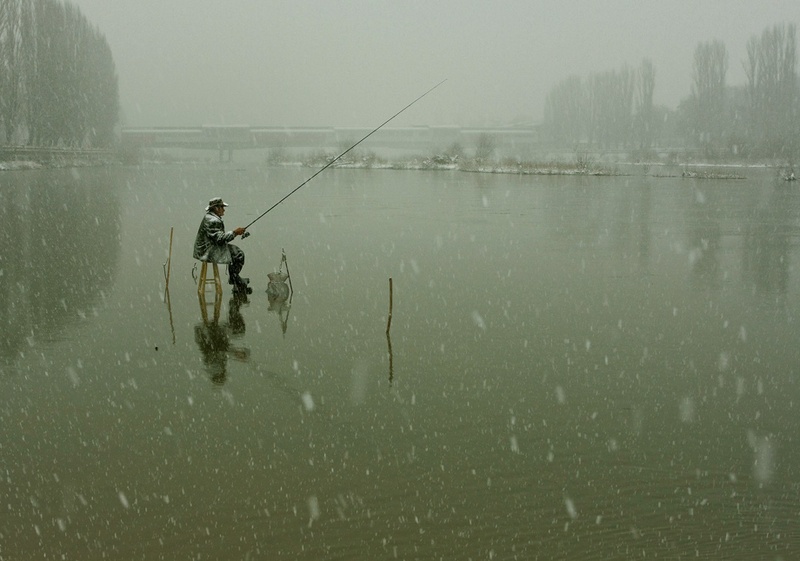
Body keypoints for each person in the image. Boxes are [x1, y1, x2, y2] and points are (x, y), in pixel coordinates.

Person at [193, 197, 251, 293]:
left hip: (207, 246)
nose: (224, 209)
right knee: (238, 254)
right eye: (222, 207)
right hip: (208, 250)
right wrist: (235, 232)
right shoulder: (213, 221)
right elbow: (220, 240)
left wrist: (235, 233)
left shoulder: (210, 217)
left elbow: (219, 238)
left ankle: (235, 280)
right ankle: (235, 280)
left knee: (235, 252)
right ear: (216, 208)